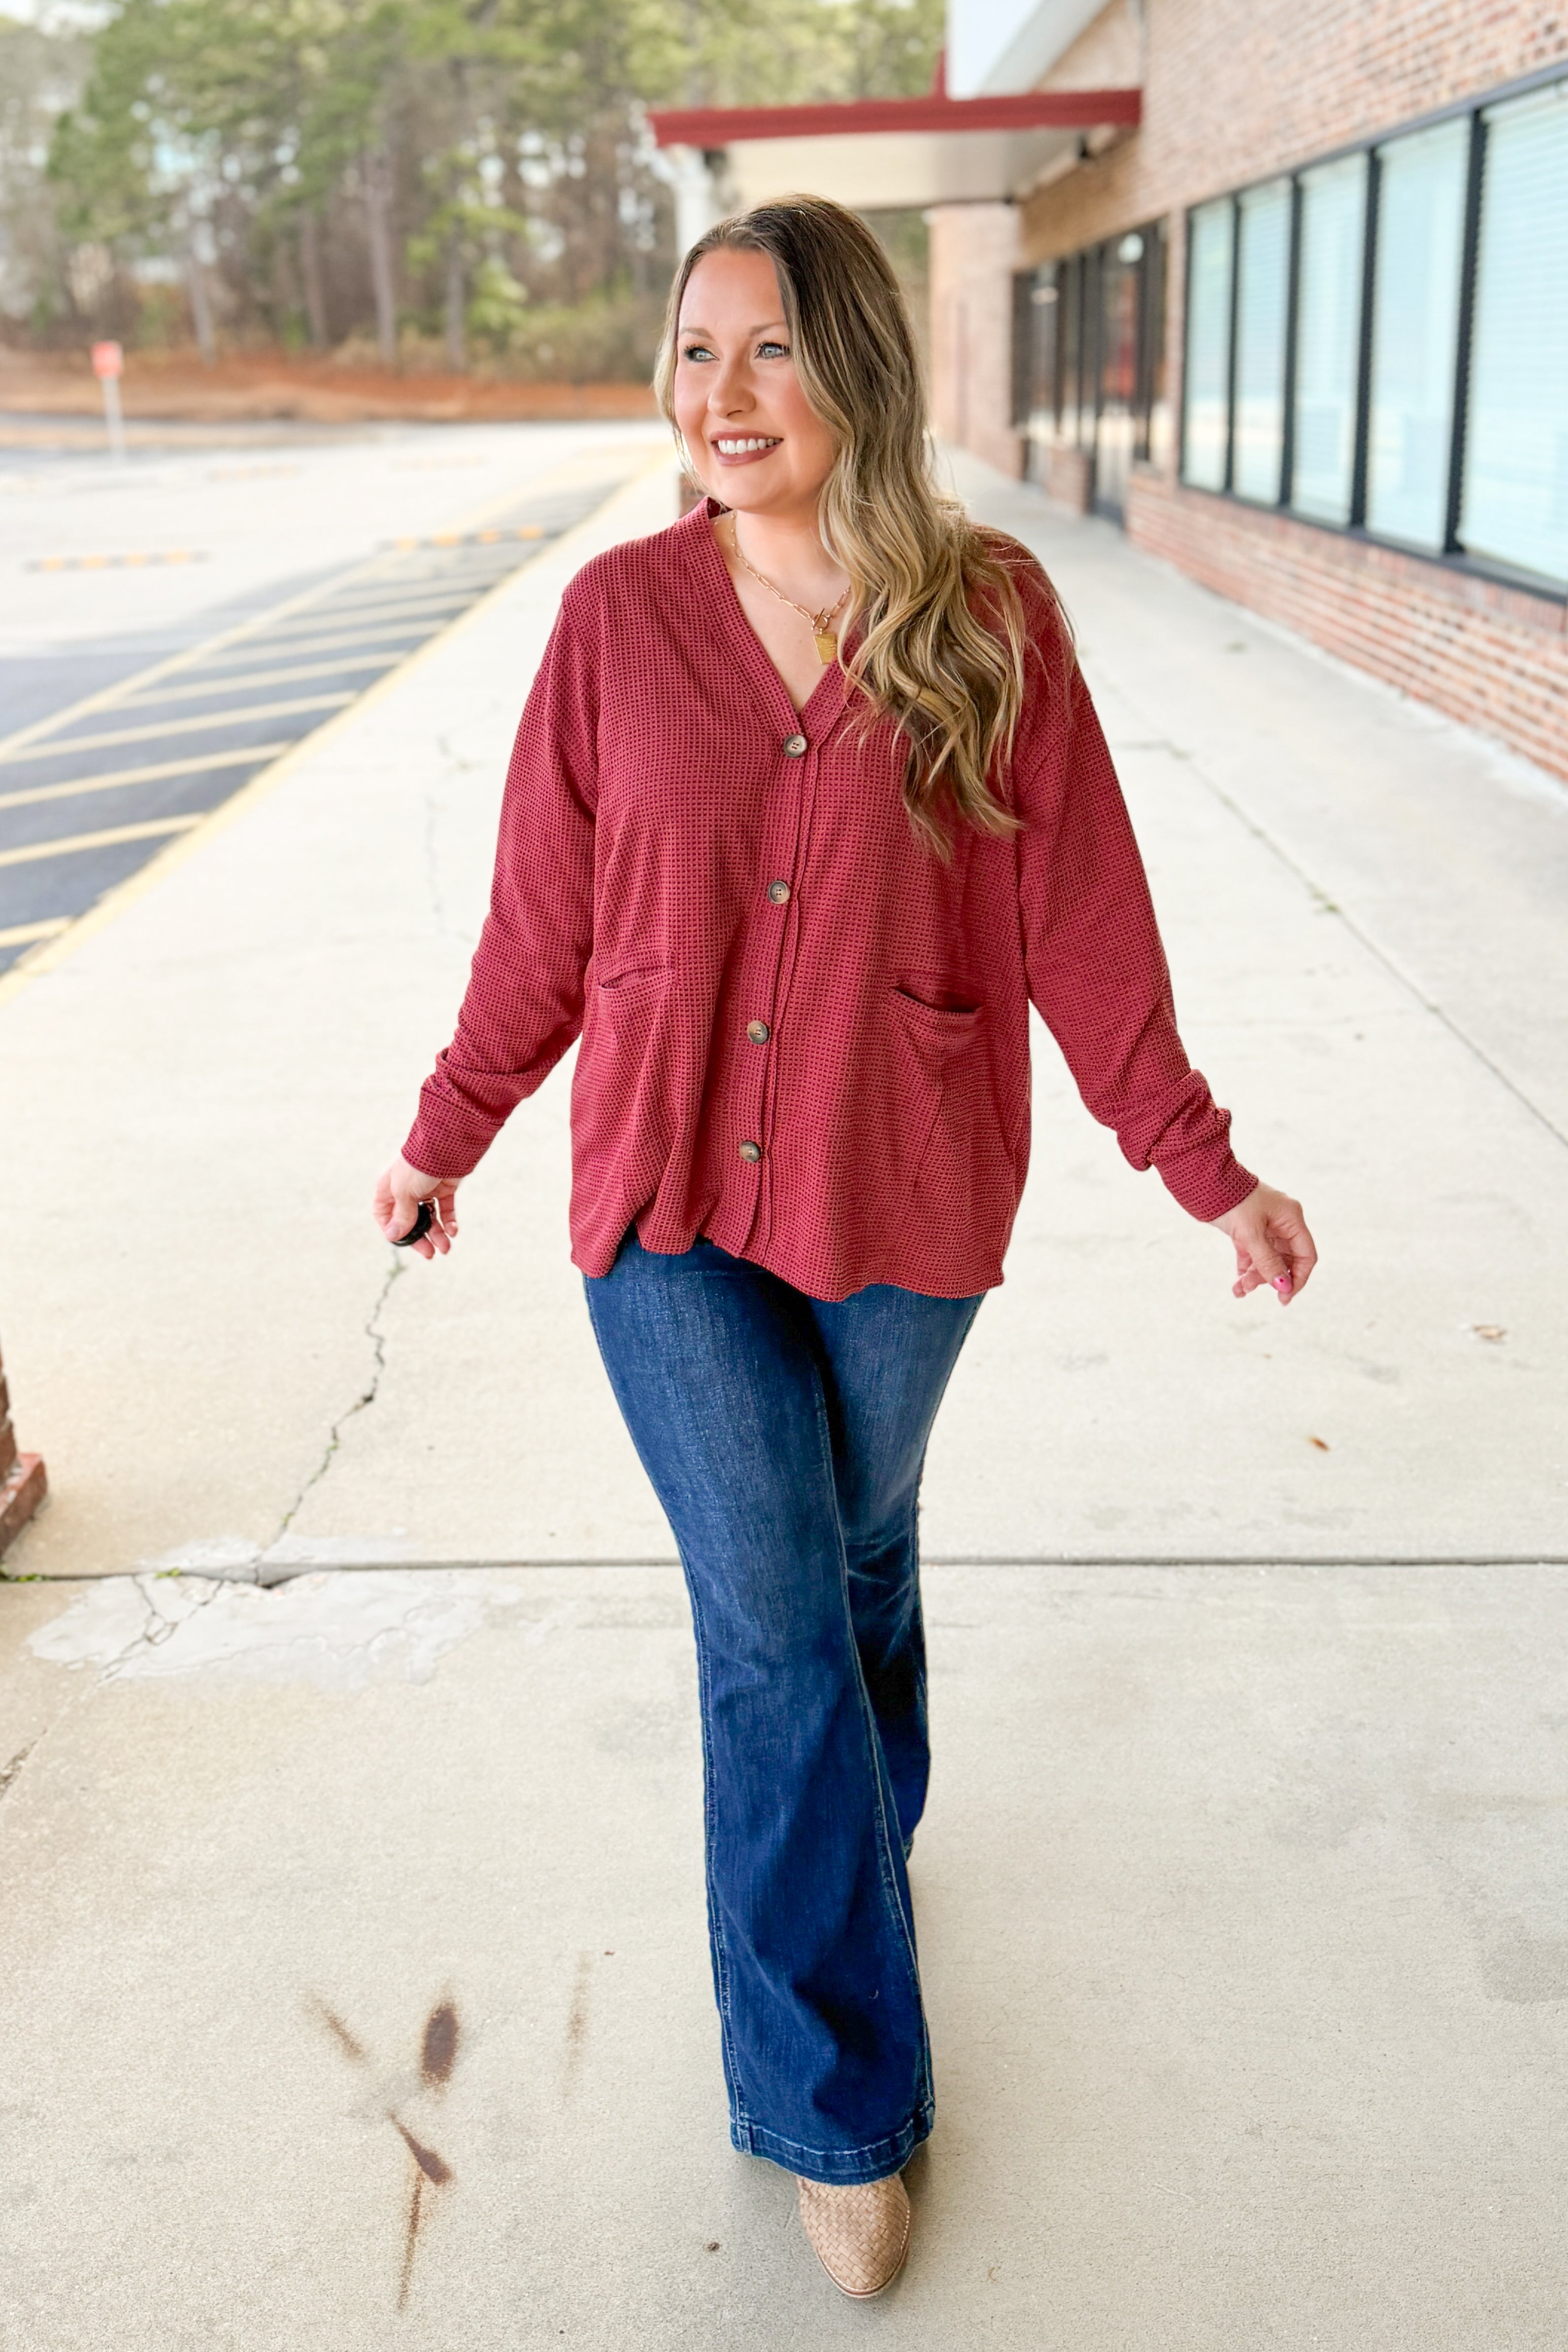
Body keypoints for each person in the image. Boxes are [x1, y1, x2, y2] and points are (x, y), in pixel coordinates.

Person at [372, 194, 1317, 2300]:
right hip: (665, 1207)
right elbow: (541, 926)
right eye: (695, 353)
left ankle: (846, 1852)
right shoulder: (617, 626)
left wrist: (1203, 1164)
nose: (722, 395)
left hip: (905, 1186)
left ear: (856, 372)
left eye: (770, 350)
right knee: (777, 1625)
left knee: (858, 1555)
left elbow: (1085, 920)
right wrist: (446, 1134)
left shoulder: (986, 614)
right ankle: (832, 2100)